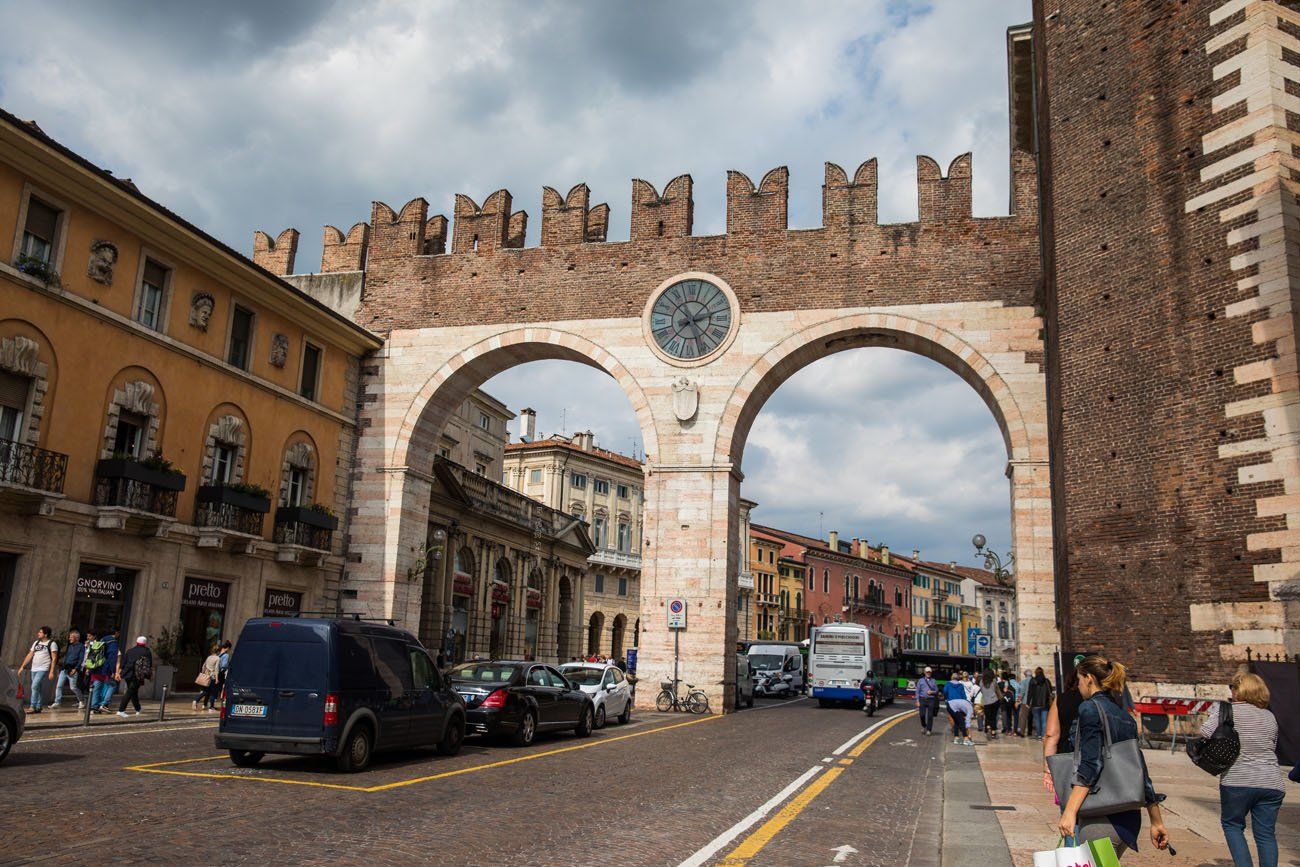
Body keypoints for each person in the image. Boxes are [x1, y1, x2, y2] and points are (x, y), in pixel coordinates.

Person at [1055, 655, 1170, 858]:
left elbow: (1090, 765)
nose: (1078, 685)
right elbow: (1140, 770)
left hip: (1102, 817)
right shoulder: (1125, 717)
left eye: (1080, 679)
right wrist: (1156, 821)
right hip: (1128, 818)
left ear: (1089, 678)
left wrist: (1070, 811)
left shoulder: (1089, 708)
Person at [1202, 671, 1287, 867]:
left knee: (1232, 825)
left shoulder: (1229, 711)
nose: (1231, 691)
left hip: (1238, 779)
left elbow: (1205, 732)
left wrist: (1216, 713)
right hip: (1271, 782)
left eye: (1233, 687)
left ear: (1240, 690)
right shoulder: (1269, 716)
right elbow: (1271, 745)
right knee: (1266, 834)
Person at [16, 625, 58, 713]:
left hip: (43, 668)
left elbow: (54, 658)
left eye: (40, 632)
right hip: (34, 668)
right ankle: (39, 706)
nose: (38, 633)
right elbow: (30, 655)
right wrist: (22, 667)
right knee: (37, 687)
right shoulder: (36, 643)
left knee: (34, 686)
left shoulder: (52, 644)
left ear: (45, 634)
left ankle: (32, 706)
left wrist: (51, 671)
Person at [116, 635, 153, 716]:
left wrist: (119, 672)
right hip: (138, 675)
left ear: (137, 642)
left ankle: (138, 708)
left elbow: (124, 663)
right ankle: (121, 710)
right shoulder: (146, 651)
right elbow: (149, 664)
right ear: (145, 643)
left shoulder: (130, 650)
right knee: (130, 691)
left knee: (133, 691)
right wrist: (149, 675)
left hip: (127, 674)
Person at [87, 628, 120, 713]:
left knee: (97, 686)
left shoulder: (101, 640)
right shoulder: (112, 642)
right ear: (116, 633)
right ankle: (104, 704)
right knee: (112, 685)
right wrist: (113, 671)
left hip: (97, 667)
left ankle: (94, 707)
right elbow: (112, 657)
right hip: (106, 667)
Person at [54, 629, 86, 709]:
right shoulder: (70, 646)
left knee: (73, 687)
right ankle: (57, 702)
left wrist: (76, 669)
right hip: (65, 669)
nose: (69, 638)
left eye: (71, 637)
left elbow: (81, 659)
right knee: (59, 686)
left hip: (72, 669)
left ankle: (82, 700)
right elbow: (67, 657)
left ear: (76, 638)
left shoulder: (81, 646)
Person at [945, 670, 974, 746]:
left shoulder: (948, 684)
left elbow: (945, 691)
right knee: (961, 721)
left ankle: (956, 738)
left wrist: (947, 698)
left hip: (950, 703)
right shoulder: (960, 685)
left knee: (957, 722)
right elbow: (964, 695)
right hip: (955, 705)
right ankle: (965, 739)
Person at [194, 644, 222, 711]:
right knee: (213, 692)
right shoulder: (218, 658)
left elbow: (204, 666)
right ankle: (210, 706)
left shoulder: (209, 657)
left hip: (206, 676)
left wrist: (203, 674)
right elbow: (216, 669)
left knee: (206, 691)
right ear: (218, 651)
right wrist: (217, 679)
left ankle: (204, 705)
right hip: (212, 677)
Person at [1028, 667, 1053, 740]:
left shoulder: (1032, 681)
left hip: (1035, 704)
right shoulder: (1047, 681)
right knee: (1044, 720)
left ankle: (1039, 735)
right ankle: (1043, 735)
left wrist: (1027, 702)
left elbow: (1030, 693)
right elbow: (1050, 691)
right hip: (1044, 703)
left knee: (1037, 720)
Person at [915, 666, 939, 735]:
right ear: (924, 672)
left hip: (931, 699)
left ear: (931, 673)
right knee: (922, 715)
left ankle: (929, 730)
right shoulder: (920, 680)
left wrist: (932, 692)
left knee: (930, 716)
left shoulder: (933, 680)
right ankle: (924, 726)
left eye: (929, 672)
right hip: (922, 699)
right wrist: (917, 701)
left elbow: (937, 690)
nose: (928, 673)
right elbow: (917, 691)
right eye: (927, 672)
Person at [979, 668, 1001, 740]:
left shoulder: (981, 682)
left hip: (986, 702)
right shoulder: (994, 681)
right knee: (993, 717)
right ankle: (993, 733)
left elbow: (982, 691)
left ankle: (988, 728)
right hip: (995, 701)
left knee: (987, 717)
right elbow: (997, 690)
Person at [1015, 668, 1032, 736]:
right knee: (1031, 717)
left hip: (1025, 702)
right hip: (1034, 702)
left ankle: (1022, 731)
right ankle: (1030, 731)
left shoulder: (1024, 682)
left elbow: (1022, 692)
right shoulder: (1035, 681)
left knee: (1023, 717)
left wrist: (1018, 701)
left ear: (1025, 675)